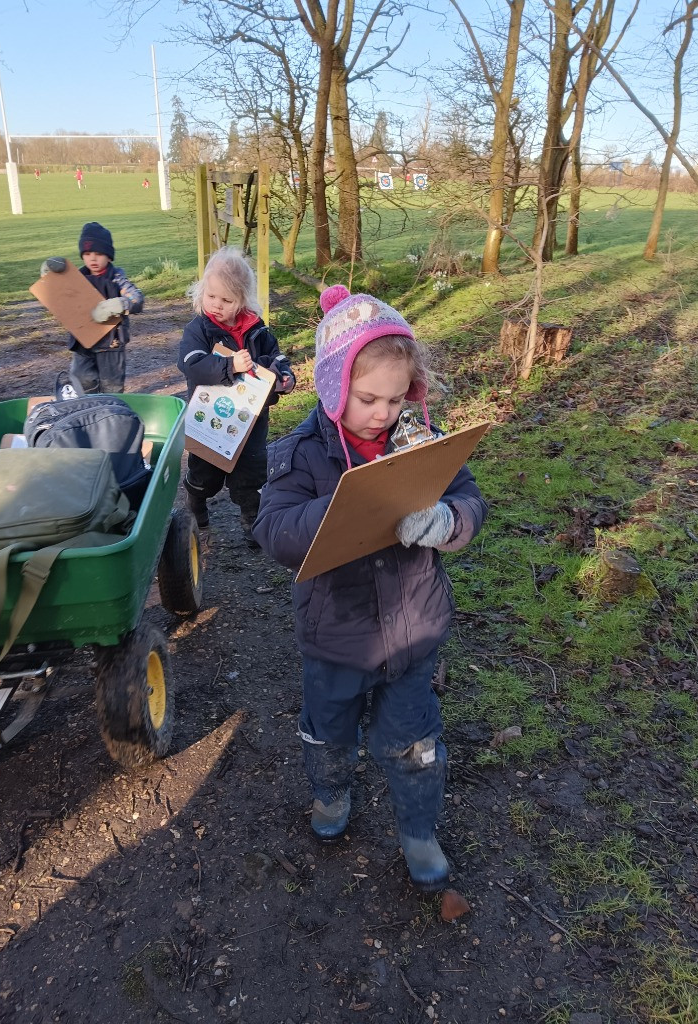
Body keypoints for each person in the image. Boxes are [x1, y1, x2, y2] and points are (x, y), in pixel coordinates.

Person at [252, 285, 488, 892]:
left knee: (414, 742)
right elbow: (272, 530)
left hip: (413, 630)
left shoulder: (416, 438)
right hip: (336, 635)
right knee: (328, 729)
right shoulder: (301, 453)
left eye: (395, 397)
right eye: (366, 399)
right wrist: (342, 509)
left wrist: (447, 522)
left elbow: (467, 497)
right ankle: (331, 794)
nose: (382, 413)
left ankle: (418, 831)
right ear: (334, 388)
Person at [177, 246, 296, 544]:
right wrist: (230, 365)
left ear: (242, 300)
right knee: (206, 473)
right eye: (211, 296)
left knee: (252, 471)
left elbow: (275, 358)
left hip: (251, 418)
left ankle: (251, 520)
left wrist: (284, 376)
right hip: (211, 417)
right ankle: (196, 499)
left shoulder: (258, 330)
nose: (216, 304)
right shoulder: (199, 330)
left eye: (226, 300)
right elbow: (191, 364)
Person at [40, 221, 144, 394]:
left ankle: (110, 413)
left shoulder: (116, 278)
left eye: (98, 253)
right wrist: (49, 274)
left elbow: (137, 299)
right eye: (87, 253)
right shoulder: (77, 278)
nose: (93, 258)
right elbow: (56, 294)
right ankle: (89, 408)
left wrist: (118, 304)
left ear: (109, 256)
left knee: (112, 385)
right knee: (81, 378)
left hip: (111, 343)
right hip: (83, 339)